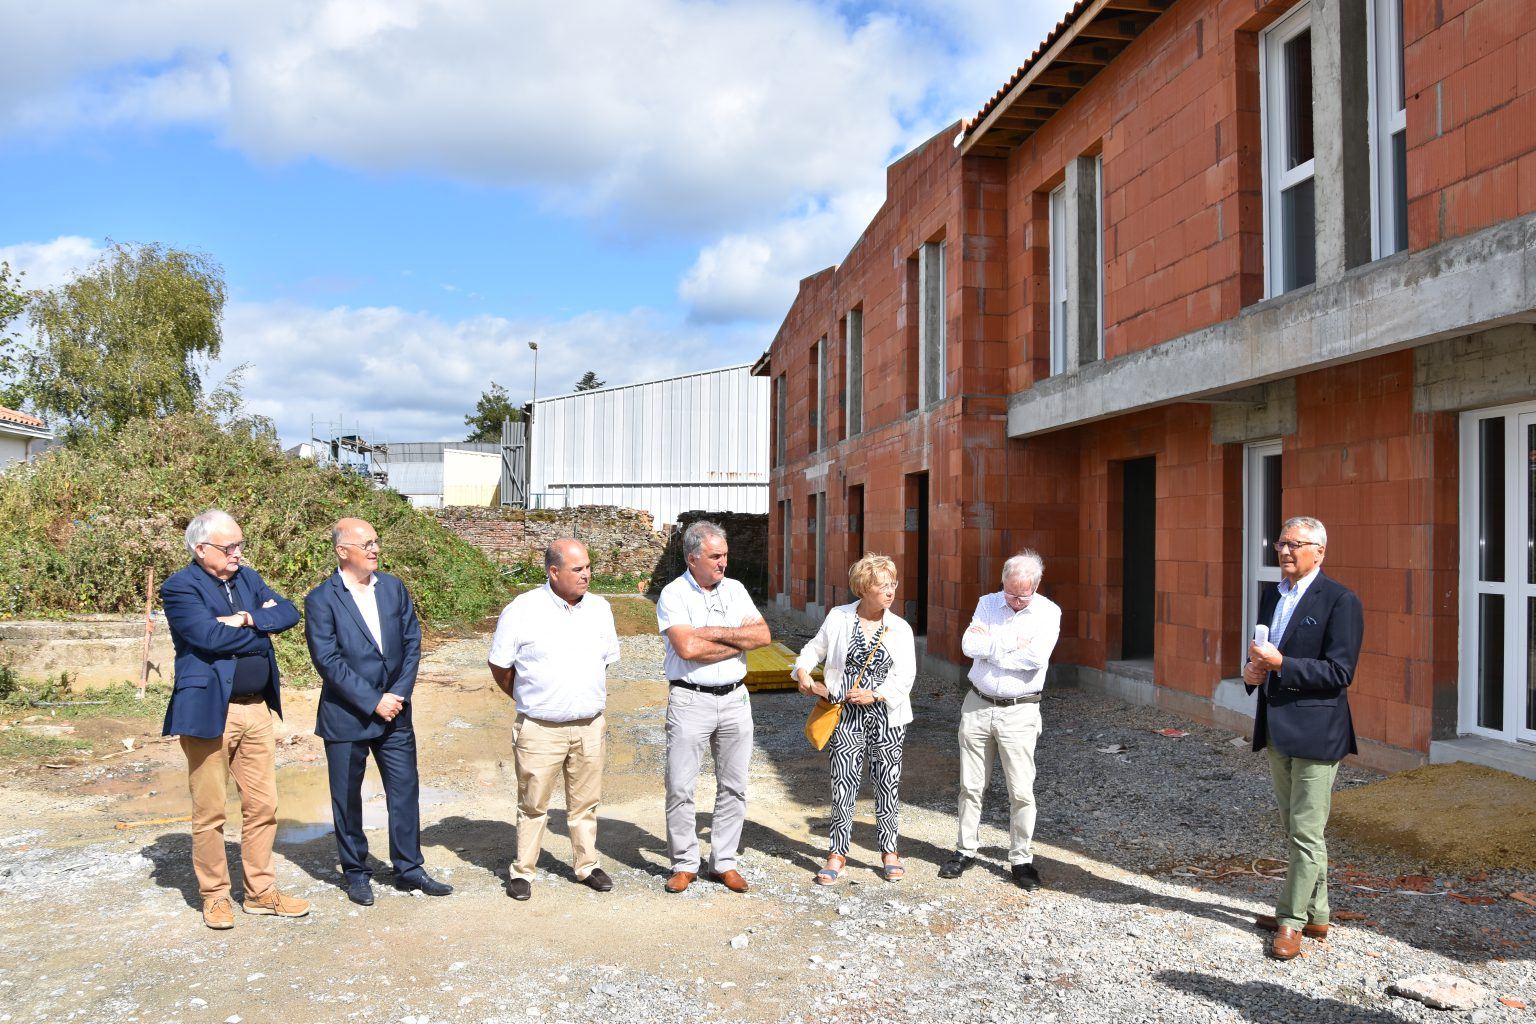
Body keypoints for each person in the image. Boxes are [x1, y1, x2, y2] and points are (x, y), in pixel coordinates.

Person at [160, 508, 310, 929]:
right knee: (210, 810)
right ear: (200, 548)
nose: (238, 554)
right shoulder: (180, 587)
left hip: (256, 708)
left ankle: (261, 892)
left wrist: (246, 618)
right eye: (229, 547)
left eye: (240, 545)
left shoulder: (247, 578)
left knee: (263, 806)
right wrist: (260, 633)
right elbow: (207, 637)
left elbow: (288, 612)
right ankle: (215, 895)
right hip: (211, 709)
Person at [304, 517, 452, 906]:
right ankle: (356, 872)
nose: (375, 549)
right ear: (342, 551)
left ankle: (409, 868)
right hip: (347, 715)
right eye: (366, 543)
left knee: (404, 791)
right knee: (347, 797)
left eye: (375, 542)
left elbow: (411, 642)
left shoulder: (393, 589)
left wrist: (397, 695)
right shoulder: (321, 599)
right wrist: (373, 700)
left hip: (396, 711)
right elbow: (328, 659)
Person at [1242, 516, 1363, 961]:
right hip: (1277, 726)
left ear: (1320, 551)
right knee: (1296, 828)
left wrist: (1281, 664)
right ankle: (1318, 913)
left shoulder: (1340, 601)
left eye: (1295, 544)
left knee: (1306, 833)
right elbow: (1261, 652)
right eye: (1281, 544)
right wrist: (1252, 671)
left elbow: (1339, 672)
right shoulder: (1272, 594)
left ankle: (1291, 921)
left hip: (1317, 731)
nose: (1285, 551)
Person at [487, 539, 621, 902]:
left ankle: (587, 865)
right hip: (540, 729)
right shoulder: (523, 609)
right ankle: (523, 871)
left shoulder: (600, 609)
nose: (587, 575)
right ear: (554, 572)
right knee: (533, 804)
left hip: (590, 726)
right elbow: (500, 665)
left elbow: (605, 660)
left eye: (588, 567)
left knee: (585, 803)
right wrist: (530, 698)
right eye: (578, 569)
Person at [656, 520, 772, 894]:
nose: (724, 562)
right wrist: (738, 641)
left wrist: (710, 632)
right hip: (691, 699)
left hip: (736, 698)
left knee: (734, 785)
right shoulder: (673, 595)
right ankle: (685, 862)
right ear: (693, 558)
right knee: (680, 786)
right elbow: (686, 649)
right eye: (715, 556)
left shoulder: (736, 590)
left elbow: (763, 636)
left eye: (725, 555)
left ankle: (723, 862)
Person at [940, 550, 1062, 890]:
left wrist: (991, 644)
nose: (1016, 601)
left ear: (1037, 586)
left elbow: (1035, 658)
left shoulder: (1049, 612)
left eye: (1023, 595)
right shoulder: (988, 603)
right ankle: (965, 850)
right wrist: (1010, 643)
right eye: (1010, 593)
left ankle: (1021, 859)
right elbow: (968, 645)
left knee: (1021, 790)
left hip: (1020, 710)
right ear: (1002, 582)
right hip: (977, 704)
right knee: (970, 785)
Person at [793, 554, 916, 885]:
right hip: (844, 714)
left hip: (886, 716)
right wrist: (802, 673)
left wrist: (877, 694)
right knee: (842, 782)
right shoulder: (839, 617)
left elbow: (906, 674)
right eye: (882, 585)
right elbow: (812, 651)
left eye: (893, 584)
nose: (890, 591)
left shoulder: (899, 627)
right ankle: (837, 853)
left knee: (887, 783)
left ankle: (889, 850)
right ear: (864, 588)